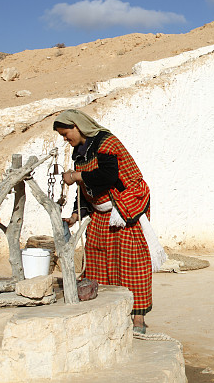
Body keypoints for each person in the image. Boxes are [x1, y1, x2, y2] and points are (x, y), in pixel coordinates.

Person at [53, 109, 164, 334]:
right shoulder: (79, 152)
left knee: (131, 263)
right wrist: (77, 214)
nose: (66, 139)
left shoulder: (106, 143)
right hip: (100, 212)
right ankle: (107, 315)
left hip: (123, 209)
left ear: (78, 126)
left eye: (66, 134)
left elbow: (108, 176)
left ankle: (138, 321)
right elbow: (86, 190)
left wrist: (75, 176)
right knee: (97, 259)